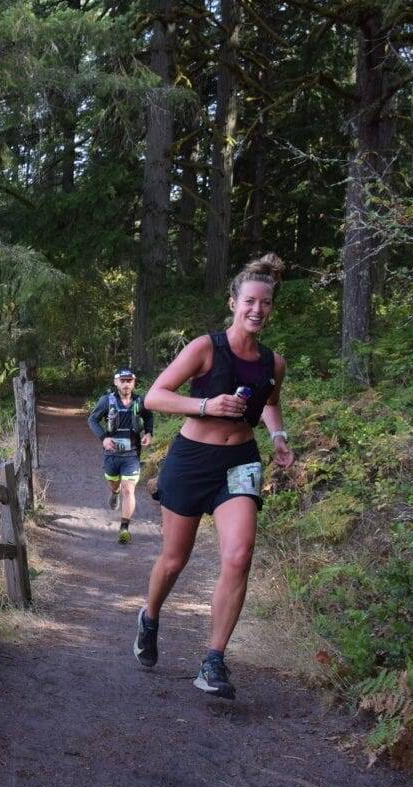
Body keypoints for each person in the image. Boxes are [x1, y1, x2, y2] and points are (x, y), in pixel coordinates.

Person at [133, 254, 296, 700]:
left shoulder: (272, 362)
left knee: (240, 555)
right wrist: (207, 405)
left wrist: (278, 435)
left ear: (271, 308)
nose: (257, 310)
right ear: (233, 302)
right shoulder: (206, 348)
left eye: (265, 303)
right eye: (249, 301)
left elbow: (270, 401)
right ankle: (149, 615)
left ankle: (213, 660)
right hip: (191, 460)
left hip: (240, 461)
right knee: (174, 560)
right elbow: (154, 397)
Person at [87, 368, 154, 544]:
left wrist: (149, 433)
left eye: (129, 380)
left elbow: (148, 417)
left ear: (134, 382)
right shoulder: (106, 401)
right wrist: (104, 438)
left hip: (132, 453)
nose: (126, 384)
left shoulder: (140, 401)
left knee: (128, 489)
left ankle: (124, 528)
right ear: (116, 382)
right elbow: (92, 420)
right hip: (112, 454)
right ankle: (114, 492)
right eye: (122, 381)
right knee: (115, 484)